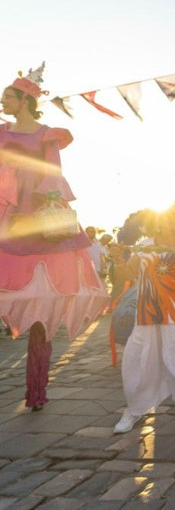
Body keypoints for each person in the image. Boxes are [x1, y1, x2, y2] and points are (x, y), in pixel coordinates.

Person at [0, 64, 109, 411]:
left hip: (39, 215)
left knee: (42, 315)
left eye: (8, 97)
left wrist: (40, 208)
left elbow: (52, 175)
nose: (2, 102)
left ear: (25, 101)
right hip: (5, 208)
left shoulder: (48, 135)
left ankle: (37, 390)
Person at [109, 203, 175, 433]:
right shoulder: (144, 246)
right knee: (140, 361)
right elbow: (127, 274)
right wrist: (117, 259)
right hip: (148, 313)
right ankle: (135, 409)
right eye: (170, 215)